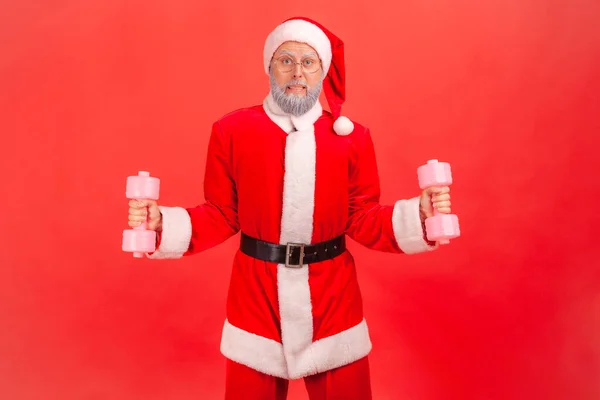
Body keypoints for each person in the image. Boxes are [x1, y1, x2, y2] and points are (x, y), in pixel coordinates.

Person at [127, 16, 451, 400]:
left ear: (322, 71)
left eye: (308, 62)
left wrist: (422, 217)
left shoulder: (352, 138)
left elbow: (362, 216)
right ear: (269, 67)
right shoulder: (231, 131)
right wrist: (160, 223)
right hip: (255, 293)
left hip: (333, 293)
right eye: (286, 60)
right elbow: (221, 213)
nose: (297, 72)